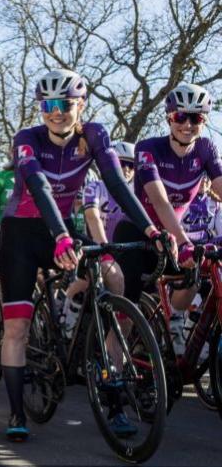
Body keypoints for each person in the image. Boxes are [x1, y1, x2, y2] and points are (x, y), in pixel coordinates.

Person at [0, 69, 160, 442]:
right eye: (49, 105)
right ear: (41, 108)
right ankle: (16, 411)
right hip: (22, 234)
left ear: (81, 105)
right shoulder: (28, 138)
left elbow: (118, 184)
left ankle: (114, 400)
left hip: (63, 229)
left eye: (66, 104)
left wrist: (150, 228)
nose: (57, 112)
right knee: (17, 327)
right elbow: (38, 187)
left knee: (108, 282)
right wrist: (59, 236)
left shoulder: (95, 135)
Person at [114, 82, 222, 355]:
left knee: (196, 275)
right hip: (138, 230)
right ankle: (113, 364)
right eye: (179, 117)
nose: (187, 124)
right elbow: (160, 200)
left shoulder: (206, 149)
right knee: (131, 298)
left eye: (195, 118)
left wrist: (184, 244)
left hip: (173, 234)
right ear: (169, 118)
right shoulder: (148, 148)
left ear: (204, 120)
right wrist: (184, 241)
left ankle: (172, 323)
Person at [61, 142, 136, 336]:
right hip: (95, 244)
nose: (127, 170)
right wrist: (104, 246)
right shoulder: (95, 187)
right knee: (88, 281)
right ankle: (67, 310)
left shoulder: (135, 191)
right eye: (121, 164)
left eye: (131, 165)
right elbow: (92, 217)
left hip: (121, 248)